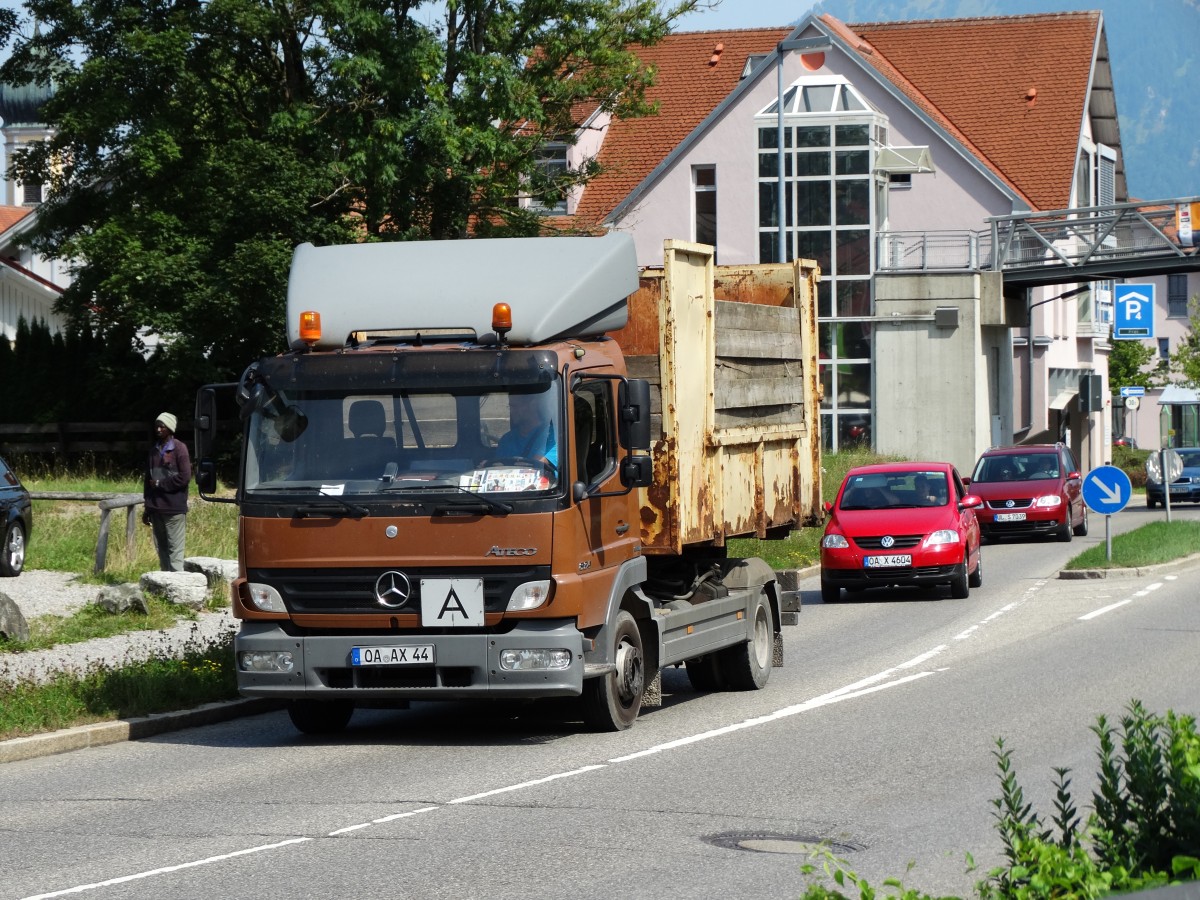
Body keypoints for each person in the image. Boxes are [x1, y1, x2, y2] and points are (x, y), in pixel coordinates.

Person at [143, 412, 192, 572]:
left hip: (174, 509)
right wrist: (147, 507)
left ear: (170, 428)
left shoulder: (179, 449)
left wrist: (160, 483)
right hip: (156, 509)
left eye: (162, 426)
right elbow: (147, 482)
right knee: (162, 551)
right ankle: (164, 586)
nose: (158, 429)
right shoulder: (153, 451)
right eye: (157, 426)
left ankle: (178, 589)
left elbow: (185, 477)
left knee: (175, 552)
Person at [494, 392, 558, 474]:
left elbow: (537, 464)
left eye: (516, 406)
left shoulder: (552, 435)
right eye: (510, 407)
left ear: (532, 405)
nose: (512, 411)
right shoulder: (506, 439)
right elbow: (498, 466)